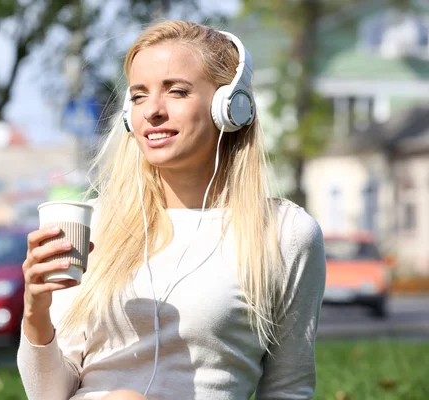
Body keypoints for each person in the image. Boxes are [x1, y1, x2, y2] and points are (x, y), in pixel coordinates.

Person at [17, 20, 326, 400]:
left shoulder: (284, 232)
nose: (152, 111)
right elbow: (47, 395)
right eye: (139, 96)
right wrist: (35, 310)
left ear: (230, 107)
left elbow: (288, 389)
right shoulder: (92, 226)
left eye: (177, 91)